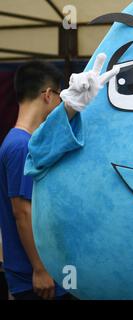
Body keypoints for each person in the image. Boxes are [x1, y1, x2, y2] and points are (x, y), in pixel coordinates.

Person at [0, 60, 70, 300]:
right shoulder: (21, 146)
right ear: (48, 95)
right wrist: (40, 269)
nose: (61, 104)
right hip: (35, 279)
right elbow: (23, 213)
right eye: (60, 96)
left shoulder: (23, 142)